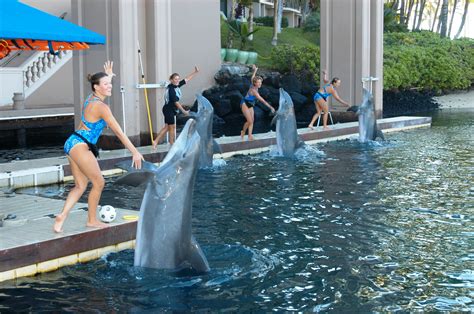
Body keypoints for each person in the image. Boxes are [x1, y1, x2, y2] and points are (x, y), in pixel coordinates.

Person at [53, 61, 144, 233]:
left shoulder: (91, 99)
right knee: (99, 182)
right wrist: (135, 152)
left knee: (80, 185)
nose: (110, 87)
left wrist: (108, 75)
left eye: (110, 84)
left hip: (72, 142)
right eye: (106, 85)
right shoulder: (102, 107)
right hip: (81, 145)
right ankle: (92, 220)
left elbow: (100, 82)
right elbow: (119, 132)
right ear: (96, 87)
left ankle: (61, 217)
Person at [152, 67, 200, 148]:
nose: (177, 80)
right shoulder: (171, 89)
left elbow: (186, 79)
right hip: (168, 110)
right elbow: (176, 103)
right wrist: (184, 111)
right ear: (171, 80)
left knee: (167, 127)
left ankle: (155, 141)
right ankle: (172, 144)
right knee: (172, 127)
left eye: (178, 79)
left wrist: (195, 72)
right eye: (175, 79)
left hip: (171, 109)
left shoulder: (176, 86)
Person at [240, 65, 275, 141]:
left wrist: (255, 70)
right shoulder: (254, 91)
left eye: (261, 82)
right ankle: (243, 131)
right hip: (244, 104)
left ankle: (249, 136)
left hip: (251, 104)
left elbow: (252, 77)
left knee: (252, 120)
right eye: (258, 83)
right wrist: (271, 107)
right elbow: (262, 100)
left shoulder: (253, 83)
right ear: (255, 83)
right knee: (249, 121)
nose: (260, 84)